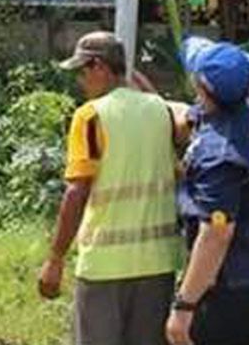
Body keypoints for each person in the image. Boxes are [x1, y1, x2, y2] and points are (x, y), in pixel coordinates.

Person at [37, 31, 185, 345]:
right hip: (157, 264)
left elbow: (77, 191)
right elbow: (177, 171)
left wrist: (55, 259)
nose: (81, 81)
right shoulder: (160, 110)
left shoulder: (91, 117)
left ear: (100, 67)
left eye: (82, 71)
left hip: (104, 267)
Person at [166, 40, 249, 345]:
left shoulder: (220, 154)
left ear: (201, 85)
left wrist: (183, 306)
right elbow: (190, 115)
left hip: (237, 286)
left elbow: (217, 233)